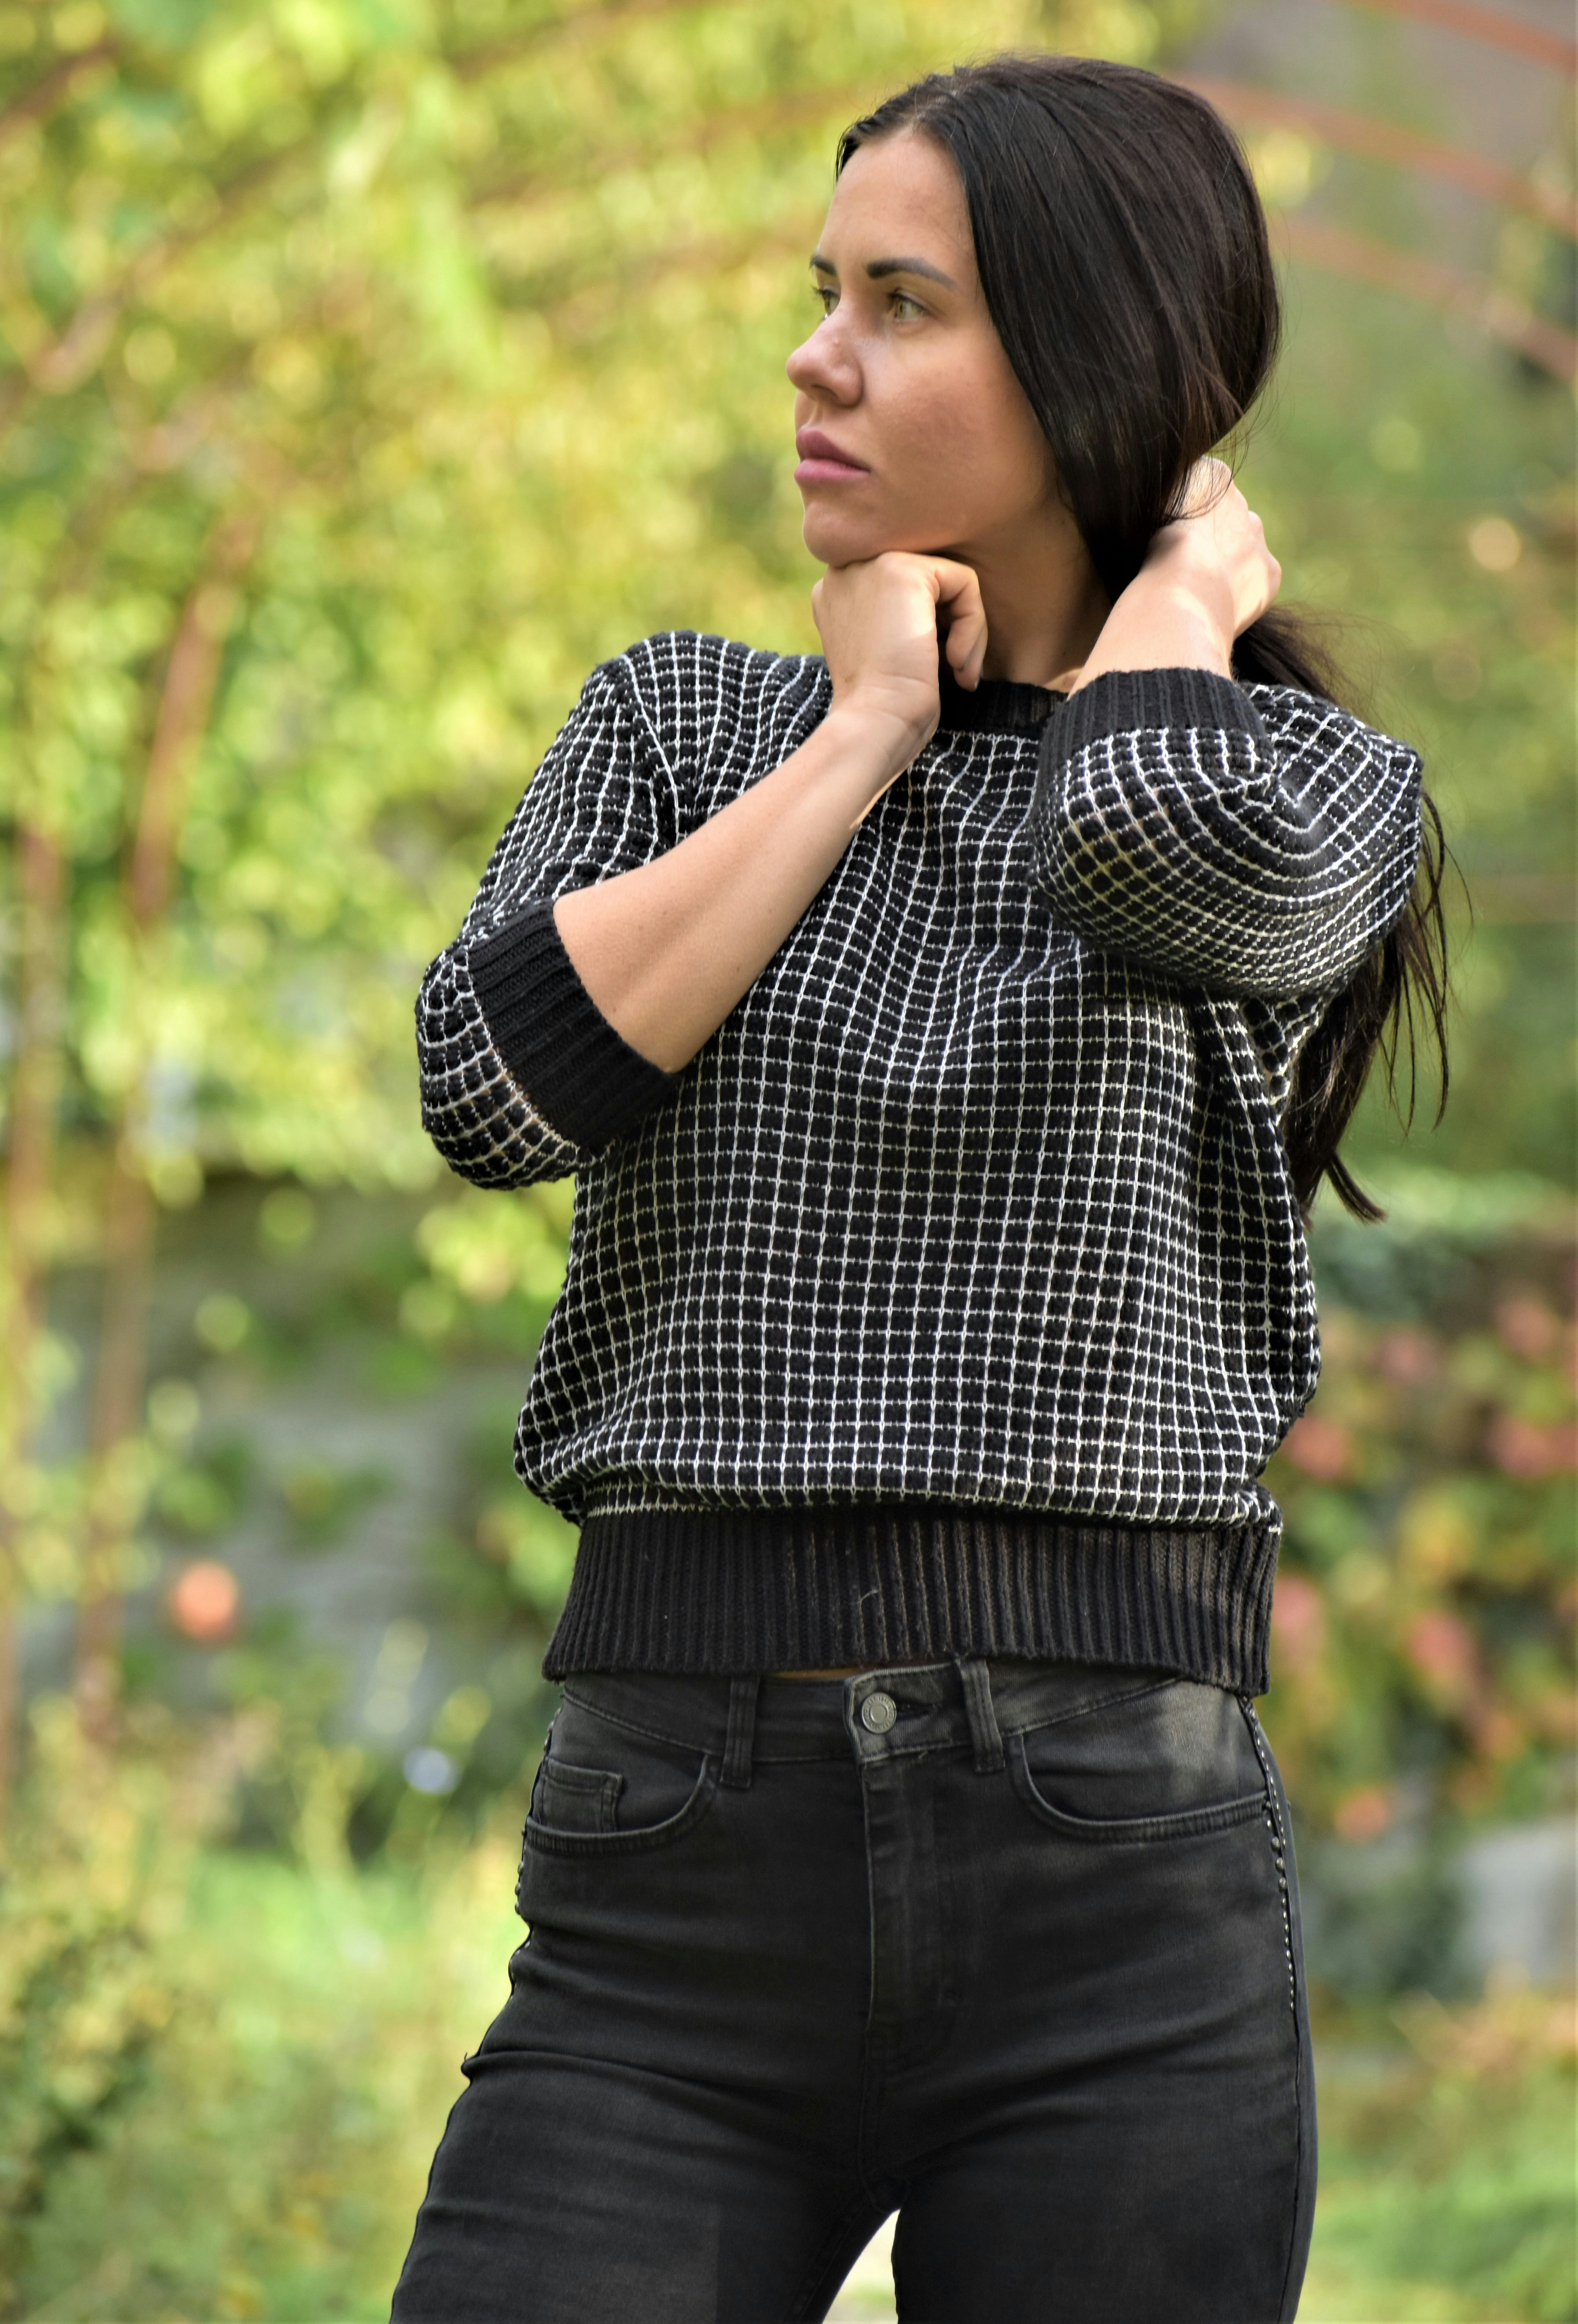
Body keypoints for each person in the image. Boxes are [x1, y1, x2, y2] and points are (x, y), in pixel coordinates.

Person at [391, 52, 1448, 2324]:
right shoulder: (683, 727)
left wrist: (1170, 603)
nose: (813, 354)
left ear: (1094, 358)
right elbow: (493, 1085)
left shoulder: (1305, 788)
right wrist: (856, 731)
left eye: (900, 301)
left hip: (1118, 1879)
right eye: (819, 288)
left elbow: (1155, 856)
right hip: (672, 1860)